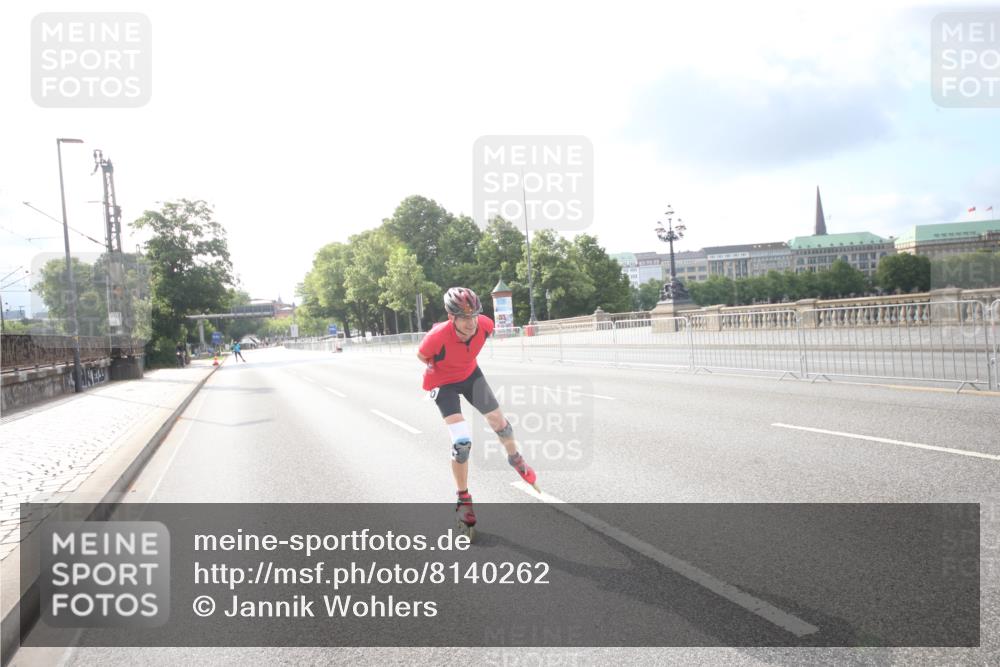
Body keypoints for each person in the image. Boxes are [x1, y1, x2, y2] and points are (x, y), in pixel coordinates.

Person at [416, 287, 537, 531]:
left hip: (471, 375)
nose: (471, 323)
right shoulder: (436, 336)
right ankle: (463, 499)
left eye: (473, 316)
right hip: (443, 382)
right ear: (452, 318)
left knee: (499, 422)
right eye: (464, 318)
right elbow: (422, 355)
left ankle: (515, 458)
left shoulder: (485, 325)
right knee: (461, 442)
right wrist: (440, 367)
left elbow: (479, 330)